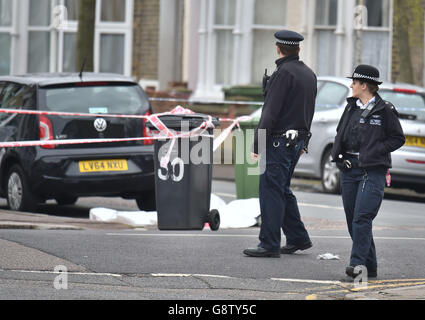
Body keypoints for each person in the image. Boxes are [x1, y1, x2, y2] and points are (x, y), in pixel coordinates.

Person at [243, 30, 317, 258]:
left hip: (278, 141)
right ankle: (298, 238)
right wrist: (305, 138)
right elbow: (309, 110)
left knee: (271, 191)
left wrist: (257, 144)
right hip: (297, 140)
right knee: (282, 189)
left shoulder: (283, 74)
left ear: (278, 48)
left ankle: (269, 243)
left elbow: (270, 113)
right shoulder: (309, 74)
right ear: (298, 49)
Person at [331, 64, 405, 278]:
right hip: (349, 170)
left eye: (354, 82)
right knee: (352, 220)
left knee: (362, 218)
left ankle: (357, 264)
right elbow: (340, 132)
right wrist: (338, 155)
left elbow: (397, 138)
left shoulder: (385, 110)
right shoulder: (351, 106)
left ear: (364, 85)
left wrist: (376, 150)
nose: (351, 85)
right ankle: (370, 265)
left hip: (372, 171)